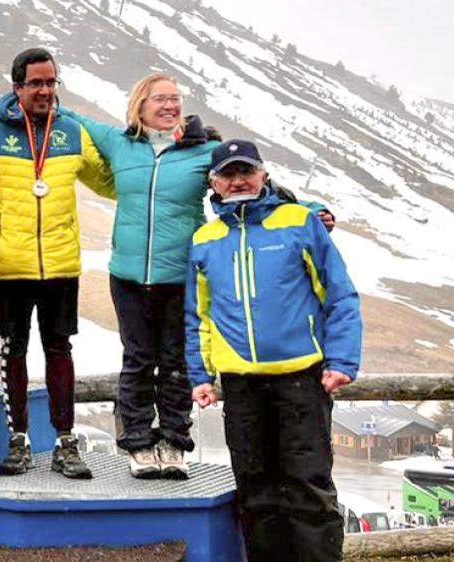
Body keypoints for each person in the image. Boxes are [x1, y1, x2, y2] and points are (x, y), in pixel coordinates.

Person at [65, 73, 334, 479]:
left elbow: (255, 183)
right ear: (140, 104)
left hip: (180, 274)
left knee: (175, 360)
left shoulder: (203, 151)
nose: (170, 105)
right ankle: (138, 443)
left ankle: (173, 442)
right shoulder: (119, 143)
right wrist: (15, 105)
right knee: (138, 358)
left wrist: (311, 208)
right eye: (160, 99)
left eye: (175, 98)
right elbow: (72, 119)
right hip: (128, 275)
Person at [0, 47, 115, 478]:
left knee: (60, 351)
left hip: (59, 267)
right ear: (16, 86)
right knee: (13, 351)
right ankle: (19, 440)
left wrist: (163, 163)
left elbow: (112, 182)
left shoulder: (72, 131)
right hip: (9, 268)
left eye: (50, 82)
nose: (45, 91)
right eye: (36, 83)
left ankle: (64, 442)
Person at [187, 139, 361, 562]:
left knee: (308, 489)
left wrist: (341, 360)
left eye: (246, 170)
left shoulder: (300, 221)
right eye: (228, 174)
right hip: (241, 386)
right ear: (214, 183)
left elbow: (339, 295)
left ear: (264, 175)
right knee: (256, 491)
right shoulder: (205, 239)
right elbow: (198, 316)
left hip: (302, 379)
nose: (238, 180)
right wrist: (200, 375)